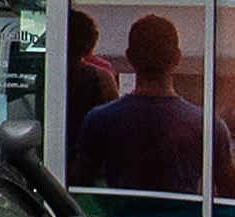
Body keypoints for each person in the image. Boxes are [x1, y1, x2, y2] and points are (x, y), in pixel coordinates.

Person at [71, 10, 203, 194]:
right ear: (177, 58)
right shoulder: (206, 125)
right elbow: (233, 192)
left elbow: (80, 183)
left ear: (129, 57)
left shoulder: (99, 120)